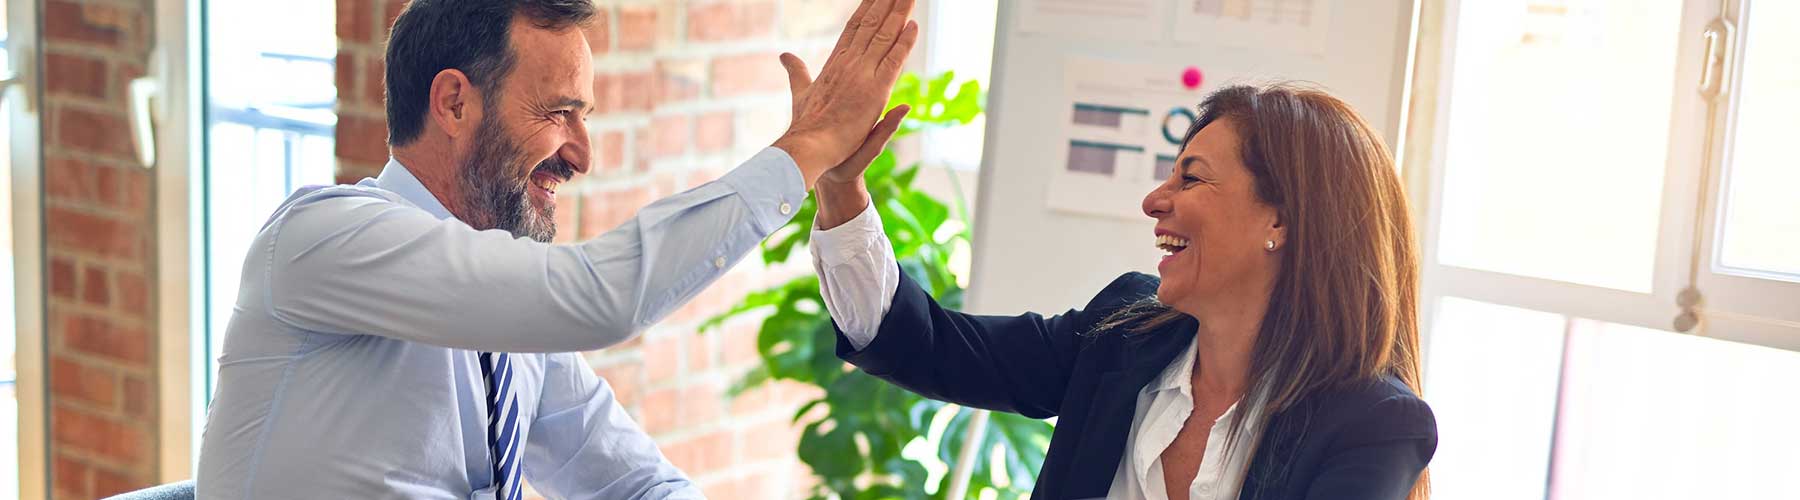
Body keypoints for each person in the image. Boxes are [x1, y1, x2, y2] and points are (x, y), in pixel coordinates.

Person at [195, 0, 920, 497]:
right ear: (453, 103)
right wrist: (806, 149)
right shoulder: (323, 237)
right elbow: (593, 298)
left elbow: (635, 483)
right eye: (558, 113)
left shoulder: (509, 327)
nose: (582, 154)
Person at [810, 84, 1436, 500]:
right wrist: (840, 186)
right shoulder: (1125, 332)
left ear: (1281, 220)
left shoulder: (1374, 425)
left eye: (1191, 179)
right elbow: (927, 344)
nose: (1154, 202)